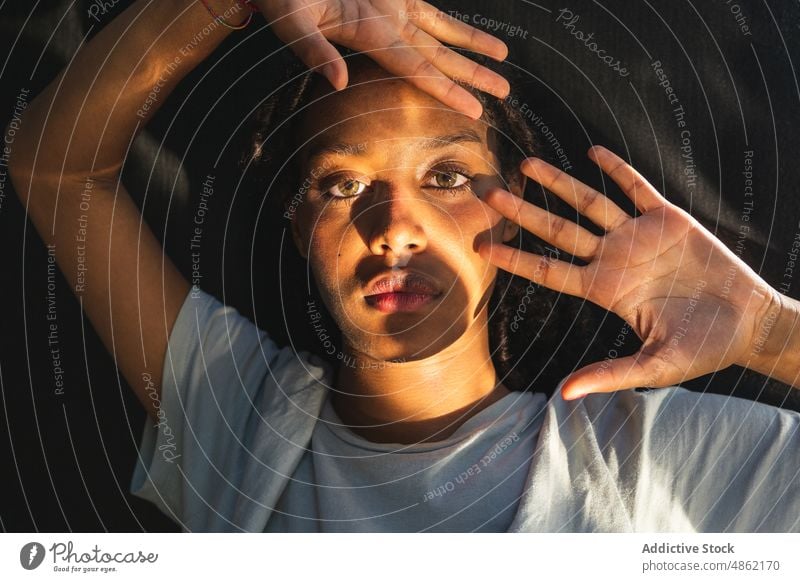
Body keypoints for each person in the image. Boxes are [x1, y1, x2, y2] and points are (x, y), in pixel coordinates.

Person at [7, 0, 799, 532]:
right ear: (297, 226)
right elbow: (51, 167)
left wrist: (766, 329)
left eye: (446, 178)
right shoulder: (236, 416)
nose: (394, 229)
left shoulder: (664, 456)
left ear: (510, 205)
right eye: (344, 185)